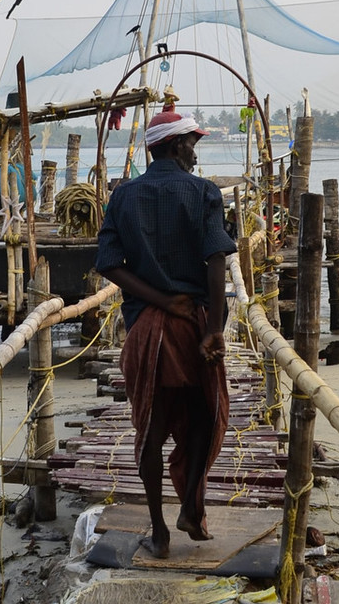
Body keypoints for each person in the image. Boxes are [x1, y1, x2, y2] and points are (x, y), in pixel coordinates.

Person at [95, 108, 236, 559]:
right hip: (192, 326)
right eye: (192, 145)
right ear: (176, 147)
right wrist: (214, 328)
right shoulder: (203, 193)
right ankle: (190, 509)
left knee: (150, 430)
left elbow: (110, 264)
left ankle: (159, 532)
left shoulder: (122, 196)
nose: (195, 155)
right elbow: (217, 260)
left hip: (146, 329)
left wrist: (157, 299)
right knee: (204, 416)